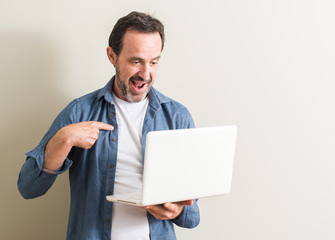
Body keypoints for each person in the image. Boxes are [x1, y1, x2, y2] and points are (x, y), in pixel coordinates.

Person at [17, 11, 200, 240]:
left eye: (153, 62)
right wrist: (63, 139)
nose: (145, 73)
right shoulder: (80, 111)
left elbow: (192, 217)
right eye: (136, 61)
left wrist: (179, 209)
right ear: (112, 56)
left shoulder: (177, 117)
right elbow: (28, 187)